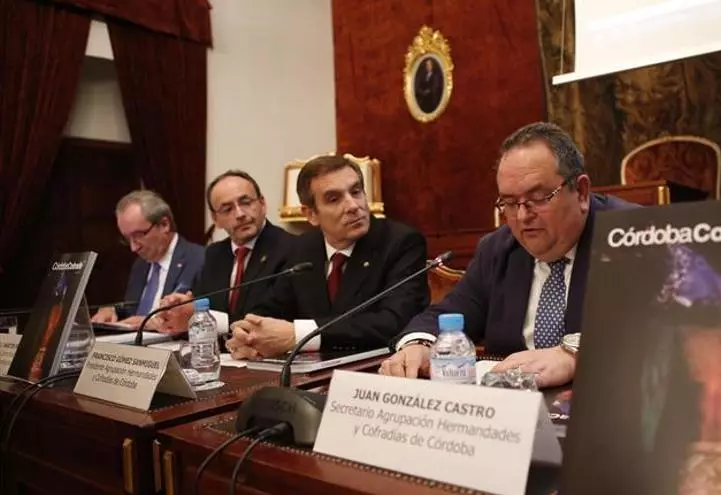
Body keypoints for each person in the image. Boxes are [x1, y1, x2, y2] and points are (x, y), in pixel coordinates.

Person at [379, 121, 637, 387]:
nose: (523, 216)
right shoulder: (497, 249)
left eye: (538, 198)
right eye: (510, 203)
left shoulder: (635, 236)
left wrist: (575, 354)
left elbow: (655, 326)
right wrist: (420, 344)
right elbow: (452, 312)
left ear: (581, 192)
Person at [224, 155, 430, 360]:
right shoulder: (301, 248)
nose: (353, 205)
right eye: (334, 199)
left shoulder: (401, 242)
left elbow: (394, 321)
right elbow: (272, 307)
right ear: (311, 214)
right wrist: (248, 334)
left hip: (374, 367)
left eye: (356, 191)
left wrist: (299, 335)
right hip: (312, 370)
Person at [157, 170, 298, 334]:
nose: (240, 214)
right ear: (215, 219)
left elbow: (267, 319)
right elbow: (202, 304)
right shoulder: (214, 254)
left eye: (246, 202)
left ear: (262, 204)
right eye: (227, 209)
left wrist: (199, 316)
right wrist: (182, 307)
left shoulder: (291, 248)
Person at [90, 190, 204, 329]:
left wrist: (150, 323)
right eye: (127, 239)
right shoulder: (140, 265)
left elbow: (204, 319)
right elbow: (131, 311)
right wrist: (111, 310)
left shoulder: (200, 259)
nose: (133, 247)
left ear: (164, 224)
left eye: (138, 235)